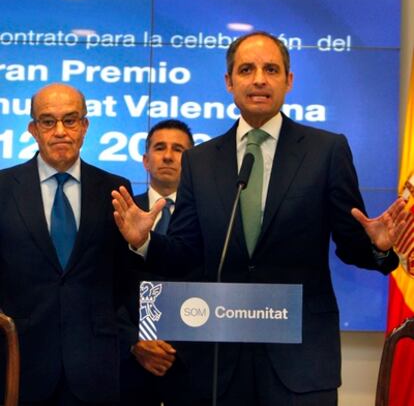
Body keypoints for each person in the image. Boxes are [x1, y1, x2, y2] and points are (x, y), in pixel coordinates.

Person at [112, 32, 408, 406]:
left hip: (299, 360)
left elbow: (351, 245)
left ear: (289, 80)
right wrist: (146, 241)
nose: (259, 80)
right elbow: (187, 255)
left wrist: (377, 247)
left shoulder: (326, 150)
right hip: (219, 360)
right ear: (229, 82)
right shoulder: (201, 161)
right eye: (246, 69)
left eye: (271, 69)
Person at [0, 83, 139, 406]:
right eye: (48, 121)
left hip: (95, 366)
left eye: (71, 120)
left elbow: (124, 280)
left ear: (85, 126)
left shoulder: (116, 189)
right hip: (20, 364)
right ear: (33, 129)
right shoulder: (3, 188)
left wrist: (140, 243)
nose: (60, 131)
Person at [117, 119, 194, 406]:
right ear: (145, 160)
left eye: (178, 149)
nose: (168, 156)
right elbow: (105, 284)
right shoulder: (120, 211)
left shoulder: (210, 215)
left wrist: (173, 350)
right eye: (159, 148)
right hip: (129, 365)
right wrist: (133, 341)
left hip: (190, 366)